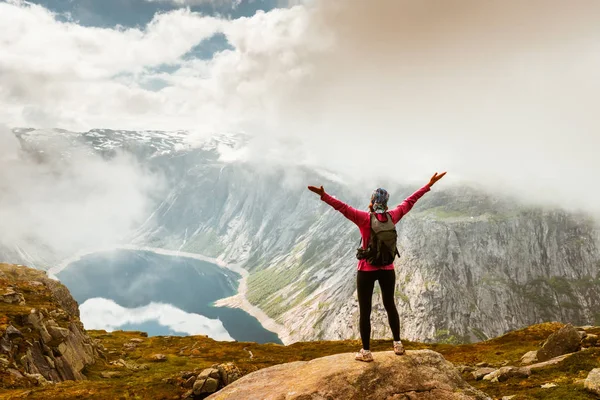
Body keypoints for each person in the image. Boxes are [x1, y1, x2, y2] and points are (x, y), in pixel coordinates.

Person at [307, 172, 446, 362]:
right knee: (390, 305)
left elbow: (342, 207)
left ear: (372, 201)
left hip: (366, 270)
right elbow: (410, 201)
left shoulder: (364, 218)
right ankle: (397, 344)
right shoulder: (393, 216)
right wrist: (428, 184)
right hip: (387, 269)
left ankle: (366, 352)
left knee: (365, 311)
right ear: (387, 203)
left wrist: (324, 196)